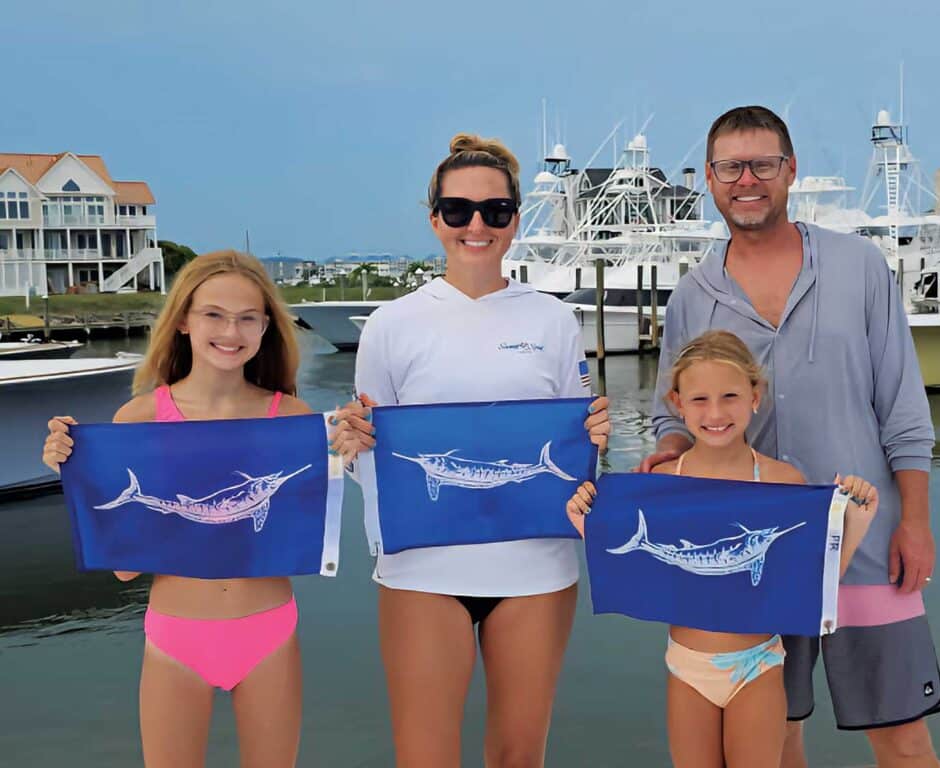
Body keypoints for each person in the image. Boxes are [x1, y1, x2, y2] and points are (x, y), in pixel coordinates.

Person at [641, 106, 940, 767]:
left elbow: (903, 408)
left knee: (904, 739)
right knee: (776, 740)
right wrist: (667, 455)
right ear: (710, 179)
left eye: (763, 164)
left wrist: (914, 521)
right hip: (755, 564)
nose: (746, 180)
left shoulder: (860, 266)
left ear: (790, 172)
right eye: (730, 167)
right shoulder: (692, 296)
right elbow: (673, 416)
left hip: (865, 548)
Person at [332, 133, 611, 768]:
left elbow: (583, 455)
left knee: (519, 758)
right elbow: (365, 462)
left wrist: (596, 438)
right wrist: (351, 446)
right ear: (435, 219)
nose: (476, 225)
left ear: (516, 218)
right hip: (420, 571)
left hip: (537, 568)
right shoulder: (390, 325)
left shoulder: (555, 321)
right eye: (458, 210)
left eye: (495, 210)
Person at [42, 250, 313, 768]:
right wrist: (75, 472)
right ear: (184, 320)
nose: (230, 330)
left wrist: (350, 448)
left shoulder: (292, 417)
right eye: (213, 313)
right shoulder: (139, 416)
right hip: (175, 635)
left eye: (247, 317)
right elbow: (124, 565)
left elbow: (303, 524)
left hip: (269, 629)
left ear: (265, 329)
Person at [567, 329, 878, 768]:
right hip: (685, 666)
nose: (715, 413)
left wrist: (857, 523)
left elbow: (811, 589)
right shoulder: (662, 485)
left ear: (756, 395)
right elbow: (639, 572)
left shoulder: (783, 482)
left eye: (730, 396)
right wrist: (588, 526)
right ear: (676, 403)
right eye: (699, 400)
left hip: (758, 666)